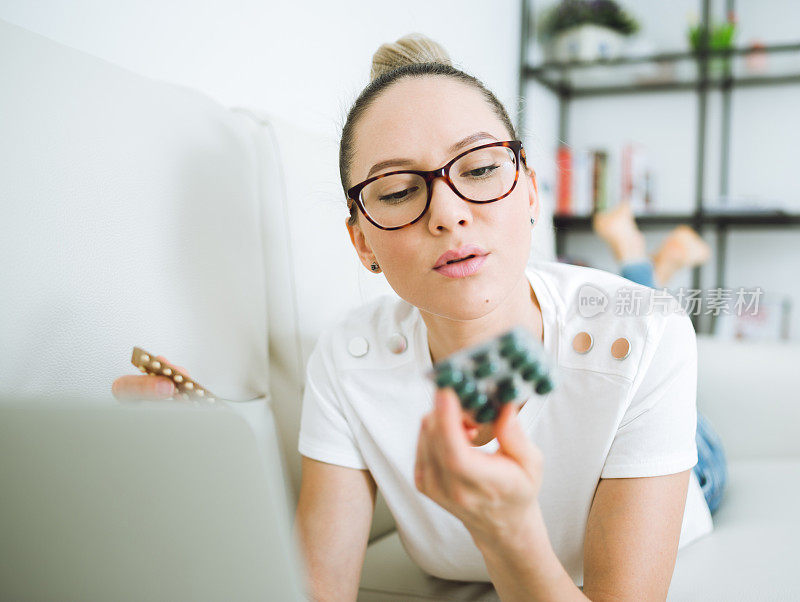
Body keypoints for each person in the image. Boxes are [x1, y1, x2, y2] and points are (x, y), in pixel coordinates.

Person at [112, 34, 716, 601]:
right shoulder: (348, 363)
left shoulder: (647, 336)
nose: (449, 215)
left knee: (647, 330)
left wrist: (509, 533)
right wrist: (196, 475)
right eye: (398, 191)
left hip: (690, 458)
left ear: (530, 193)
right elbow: (318, 586)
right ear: (362, 244)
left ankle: (642, 265)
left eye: (479, 169)